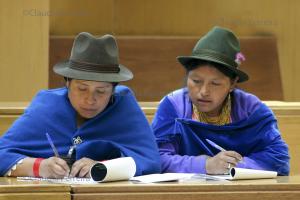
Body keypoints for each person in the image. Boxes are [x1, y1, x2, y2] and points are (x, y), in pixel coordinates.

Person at [0, 32, 161, 178]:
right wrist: (38, 166)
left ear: (113, 90)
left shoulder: (124, 106)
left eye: (101, 91)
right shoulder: (46, 106)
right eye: (82, 88)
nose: (90, 99)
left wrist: (104, 167)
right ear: (67, 83)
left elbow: (151, 161)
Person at [152, 26, 289, 175]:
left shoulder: (251, 110)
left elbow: (279, 160)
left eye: (215, 83)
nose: (203, 92)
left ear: (232, 84)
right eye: (196, 81)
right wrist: (206, 165)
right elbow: (156, 159)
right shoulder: (174, 106)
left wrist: (229, 166)